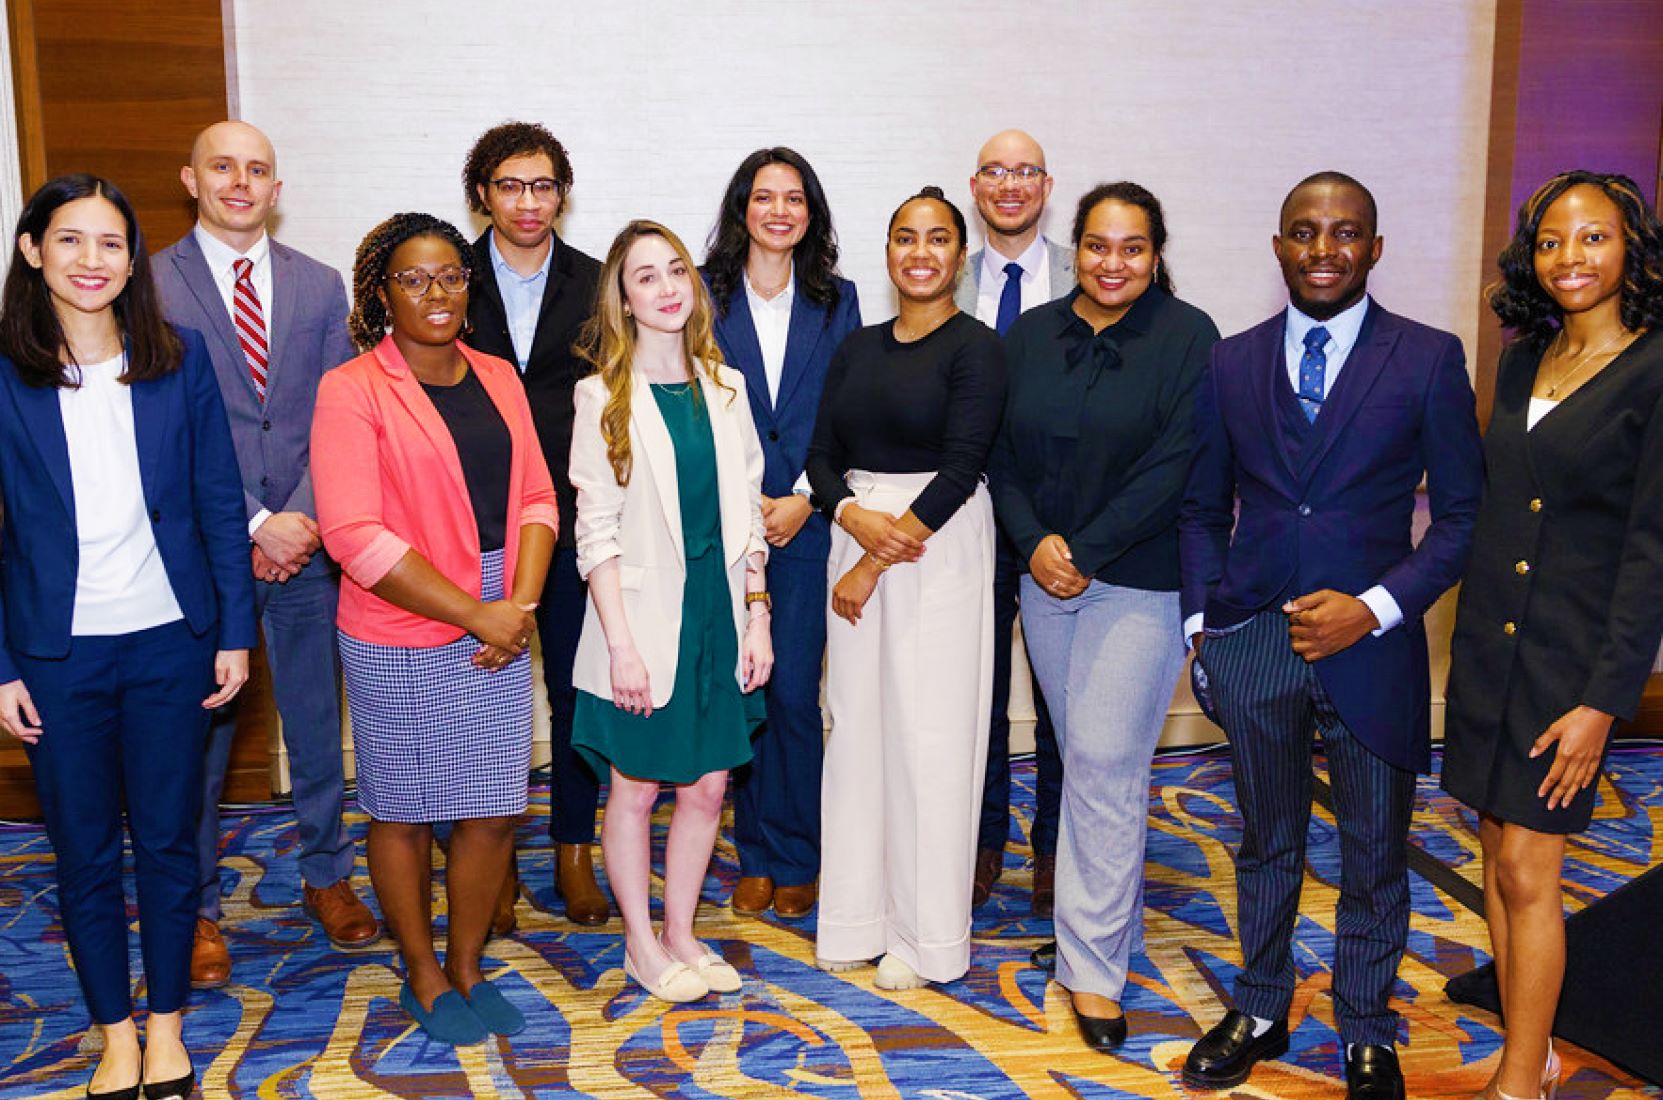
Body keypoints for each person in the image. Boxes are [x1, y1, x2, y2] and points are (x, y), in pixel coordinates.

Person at [1177, 172, 1484, 1100]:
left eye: (1344, 232)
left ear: (1375, 249)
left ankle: (1363, 1025)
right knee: (1266, 839)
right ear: (1277, 246)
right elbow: (1199, 508)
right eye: (1304, 232)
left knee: (1372, 845)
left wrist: (1378, 606)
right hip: (1254, 638)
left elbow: (1464, 518)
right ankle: (1261, 1007)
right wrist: (1205, 629)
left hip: (1373, 640)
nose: (1323, 249)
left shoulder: (1427, 357)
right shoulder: (1231, 362)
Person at [0, 174, 254, 1099]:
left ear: (132, 258)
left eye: (110, 243)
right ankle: (113, 1032)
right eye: (70, 241)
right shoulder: (4, 372)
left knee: (170, 841)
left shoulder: (177, 359)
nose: (91, 261)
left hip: (168, 645)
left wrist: (233, 630)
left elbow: (221, 505)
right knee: (82, 848)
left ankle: (169, 1030)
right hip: (54, 656)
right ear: (33, 251)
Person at [1441, 171, 1663, 1100]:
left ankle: (1518, 1079)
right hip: (1491, 652)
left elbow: (1651, 552)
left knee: (1531, 866)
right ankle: (1525, 1047)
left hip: (1571, 664)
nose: (1569, 257)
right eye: (1550, 241)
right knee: (1495, 850)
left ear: (1631, 249)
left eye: (1592, 237)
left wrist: (1603, 702)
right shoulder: (1522, 359)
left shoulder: (1655, 370)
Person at [310, 213, 556, 1046]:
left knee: (490, 808)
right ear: (382, 294)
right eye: (413, 279)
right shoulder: (352, 388)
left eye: (450, 275)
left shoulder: (498, 376)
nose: (436, 292)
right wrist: (474, 611)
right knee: (405, 811)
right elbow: (353, 534)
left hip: (501, 609)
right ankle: (420, 969)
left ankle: (467, 963)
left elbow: (535, 500)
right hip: (403, 618)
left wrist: (514, 610)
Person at [990, 182, 1219, 1050]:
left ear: (1155, 252)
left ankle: (1093, 969)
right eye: (1096, 245)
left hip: (1140, 582)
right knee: (1081, 758)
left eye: (1131, 247)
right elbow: (998, 453)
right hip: (1045, 581)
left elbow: (1176, 466)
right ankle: (1089, 928)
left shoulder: (1188, 335)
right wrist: (1033, 542)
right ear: (1072, 246)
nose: (1111, 262)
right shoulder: (1030, 335)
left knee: (1104, 763)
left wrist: (1083, 548)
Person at [153, 121, 377, 990]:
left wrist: (304, 519)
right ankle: (200, 907)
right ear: (191, 178)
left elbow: (339, 418)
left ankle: (326, 876)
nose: (240, 182)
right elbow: (160, 426)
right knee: (201, 739)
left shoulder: (319, 287)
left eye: (257, 170)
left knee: (319, 727)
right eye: (222, 166)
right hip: (202, 550)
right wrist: (252, 523)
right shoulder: (149, 283)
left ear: (275, 187)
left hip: (311, 544)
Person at [568, 220, 771, 1003]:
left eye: (675, 271)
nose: (665, 288)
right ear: (623, 298)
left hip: (719, 615)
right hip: (642, 621)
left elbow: (749, 517)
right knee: (636, 788)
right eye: (645, 276)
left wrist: (758, 616)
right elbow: (596, 532)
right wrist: (620, 646)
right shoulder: (601, 396)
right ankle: (640, 941)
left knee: (709, 789)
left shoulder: (726, 388)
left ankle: (682, 931)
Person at [808, 186, 1006, 990]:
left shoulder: (977, 347)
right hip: (858, 532)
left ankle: (927, 939)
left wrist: (872, 557)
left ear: (959, 256)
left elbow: (962, 467)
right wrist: (852, 517)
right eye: (902, 238)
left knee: (928, 739)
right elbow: (820, 457)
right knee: (854, 733)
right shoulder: (857, 345)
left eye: (935, 239)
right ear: (885, 251)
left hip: (937, 548)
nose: (918, 252)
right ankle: (857, 917)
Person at [704, 147, 861, 921]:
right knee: (738, 693)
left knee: (794, 692)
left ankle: (797, 854)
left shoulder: (840, 300)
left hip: (804, 524)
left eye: (793, 198)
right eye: (763, 197)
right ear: (742, 209)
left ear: (810, 213)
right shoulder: (702, 295)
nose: (778, 211)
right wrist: (744, 501)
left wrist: (799, 494)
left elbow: (848, 411)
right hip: (721, 528)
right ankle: (753, 852)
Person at [462, 121, 609, 931]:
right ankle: (494, 860)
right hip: (472, 520)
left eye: (543, 185)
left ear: (562, 193)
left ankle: (572, 853)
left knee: (575, 689)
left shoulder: (596, 283)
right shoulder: (447, 278)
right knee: (485, 693)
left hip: (575, 516)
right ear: (482, 193)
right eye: (511, 185)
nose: (528, 201)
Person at [955, 128, 1068, 914]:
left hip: (1061, 521)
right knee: (976, 694)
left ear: (1046, 184)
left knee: (1064, 698)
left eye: (1024, 171)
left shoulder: (1086, 269)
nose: (1009, 185)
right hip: (964, 518)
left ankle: (1057, 849)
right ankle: (982, 841)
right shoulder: (941, 275)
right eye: (995, 170)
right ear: (974, 183)